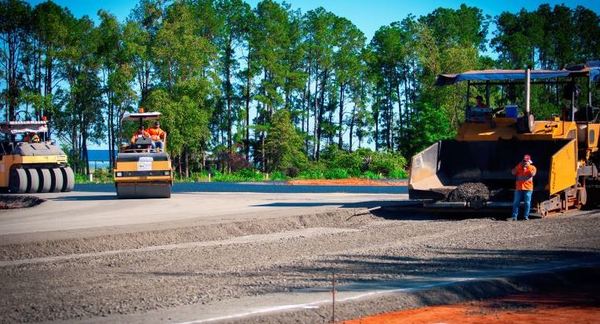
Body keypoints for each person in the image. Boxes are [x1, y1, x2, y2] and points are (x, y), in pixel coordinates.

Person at [510, 154, 537, 221]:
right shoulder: (519, 167)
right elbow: (513, 172)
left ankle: (526, 216)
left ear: (529, 161)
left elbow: (533, 174)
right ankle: (514, 217)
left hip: (528, 188)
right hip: (519, 188)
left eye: (526, 161)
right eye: (524, 161)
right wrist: (519, 166)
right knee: (516, 202)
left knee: (527, 203)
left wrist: (528, 167)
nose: (525, 162)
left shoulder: (533, 167)